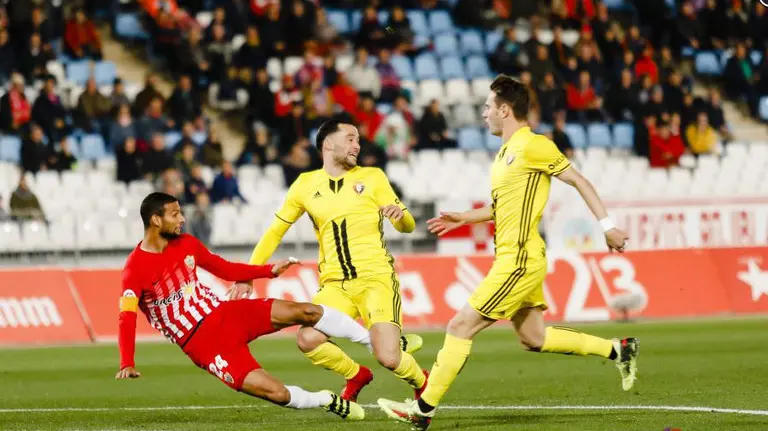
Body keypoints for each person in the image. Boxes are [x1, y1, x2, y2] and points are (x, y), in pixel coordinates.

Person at [377, 75, 638, 430]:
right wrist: (463, 218)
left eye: (487, 107)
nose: (484, 114)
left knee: (459, 326)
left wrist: (608, 227)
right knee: (535, 338)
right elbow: (503, 206)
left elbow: (579, 180)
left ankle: (422, 410)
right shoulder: (504, 154)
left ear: (504, 109)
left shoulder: (535, 145)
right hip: (518, 257)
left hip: (519, 259)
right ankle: (619, 350)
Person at [116, 192, 367, 420]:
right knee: (277, 394)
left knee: (307, 311)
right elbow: (126, 317)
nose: (182, 218)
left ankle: (373, 341)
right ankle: (327, 399)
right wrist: (127, 362)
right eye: (175, 214)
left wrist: (268, 270)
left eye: (180, 212)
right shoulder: (134, 269)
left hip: (227, 314)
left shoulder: (186, 244)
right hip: (204, 345)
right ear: (156, 221)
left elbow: (223, 267)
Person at [248, 119, 427, 403]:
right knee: (307, 339)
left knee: (389, 358)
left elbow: (408, 226)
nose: (357, 145)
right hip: (335, 285)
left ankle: (422, 381)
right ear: (328, 144)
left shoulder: (373, 177)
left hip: (376, 279)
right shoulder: (305, 185)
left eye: (358, 140)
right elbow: (274, 232)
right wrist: (249, 274)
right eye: (351, 138)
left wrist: (400, 216)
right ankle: (356, 374)